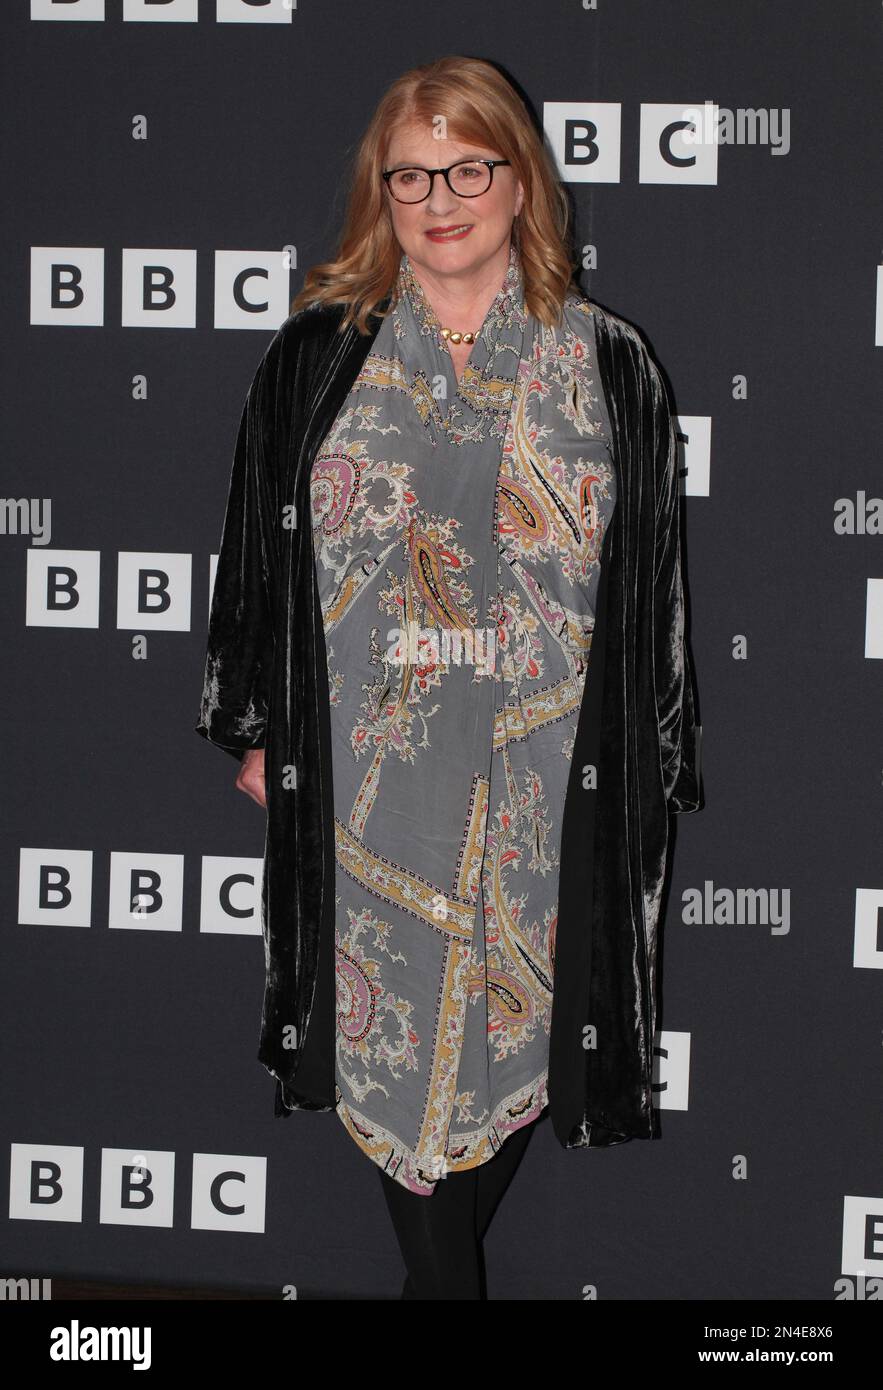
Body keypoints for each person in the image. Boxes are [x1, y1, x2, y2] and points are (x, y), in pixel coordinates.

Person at [196, 55, 702, 1300]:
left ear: (520, 183)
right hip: (377, 779)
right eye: (411, 173)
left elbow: (651, 590)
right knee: (394, 1046)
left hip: (546, 775)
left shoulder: (606, 363)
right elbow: (256, 550)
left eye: (467, 167)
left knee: (514, 1042)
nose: (440, 196)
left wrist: (653, 753)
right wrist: (255, 723)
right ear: (383, 191)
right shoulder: (317, 356)